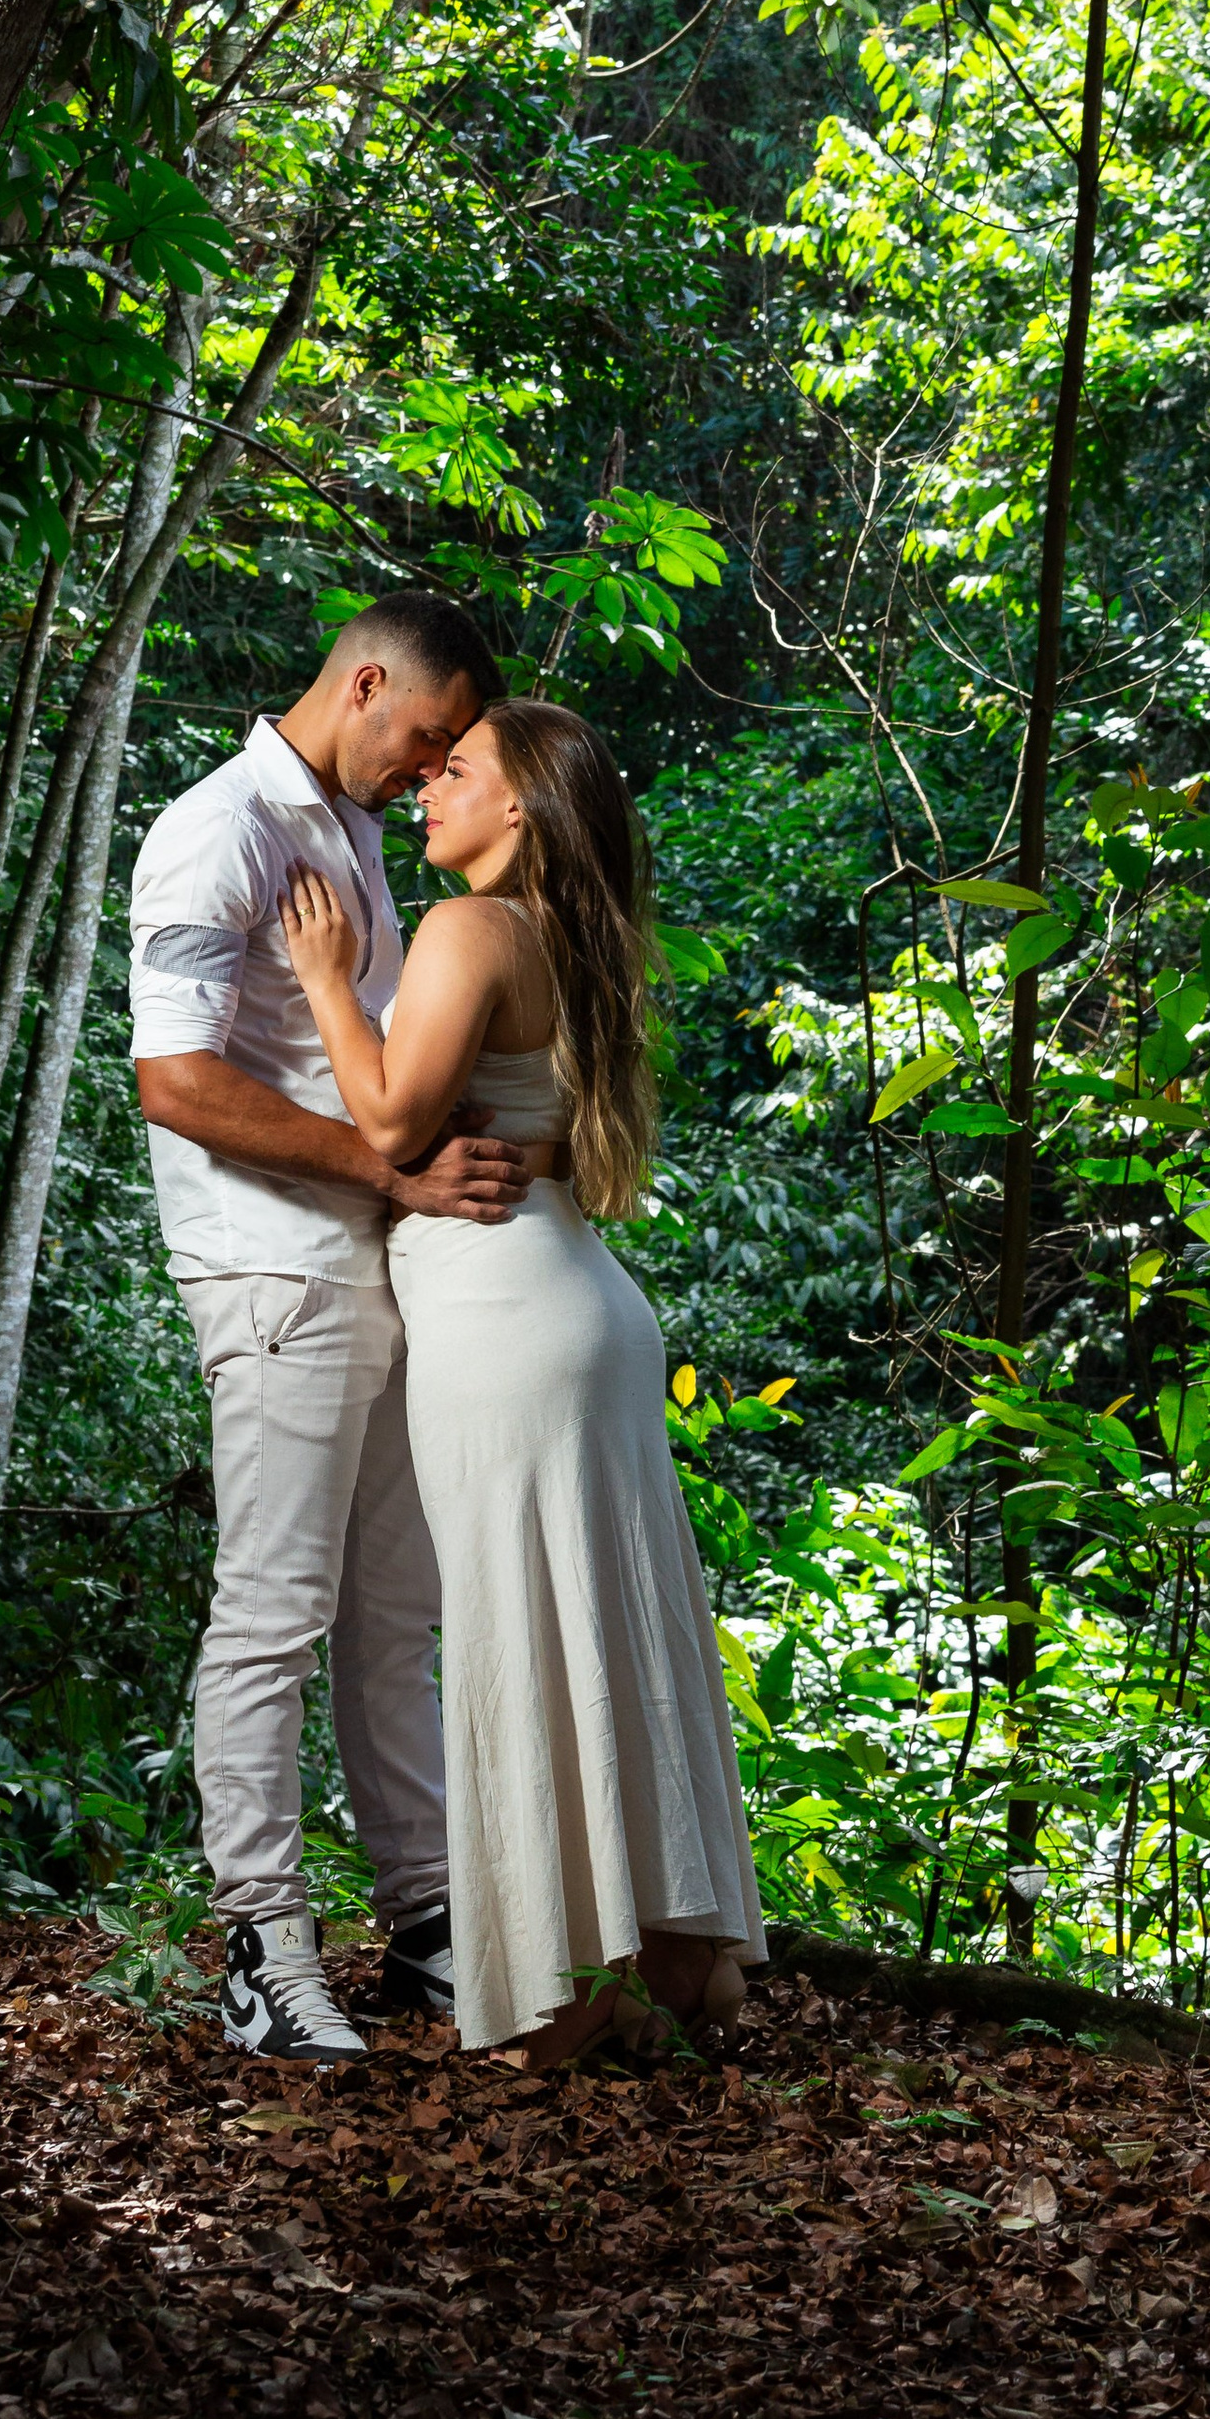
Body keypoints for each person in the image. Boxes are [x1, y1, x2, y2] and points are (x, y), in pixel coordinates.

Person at [280, 693, 764, 2067]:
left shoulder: (473, 929)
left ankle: (566, 1987)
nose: (430, 786)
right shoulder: (584, 939)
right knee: (611, 1636)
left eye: (461, 772)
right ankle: (674, 1954)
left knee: (515, 1630)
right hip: (583, 1302)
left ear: (522, 810)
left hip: (503, 1317)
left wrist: (323, 975)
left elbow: (391, 1119)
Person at [130, 591, 528, 2069]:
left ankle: (424, 1927)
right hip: (270, 1272)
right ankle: (262, 1950)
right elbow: (174, 1081)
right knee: (273, 1611)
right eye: (425, 737)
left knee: (389, 1622)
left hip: (379, 1265)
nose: (428, 772)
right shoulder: (219, 825)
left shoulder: (347, 827)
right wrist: (387, 1170)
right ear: (364, 683)